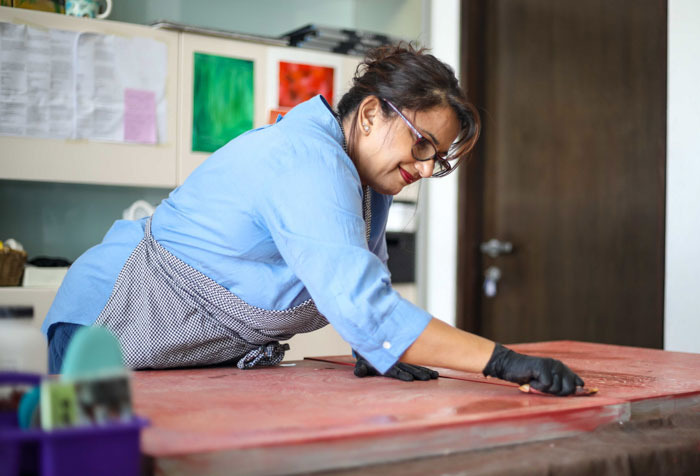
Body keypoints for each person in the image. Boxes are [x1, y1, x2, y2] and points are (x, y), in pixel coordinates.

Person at [43, 43, 585, 396]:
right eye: (422, 144)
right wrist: (504, 362)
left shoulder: (367, 182)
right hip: (114, 316)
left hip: (185, 348)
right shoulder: (308, 161)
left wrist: (373, 350)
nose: (424, 167)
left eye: (436, 158)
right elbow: (363, 305)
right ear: (371, 114)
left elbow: (359, 277)